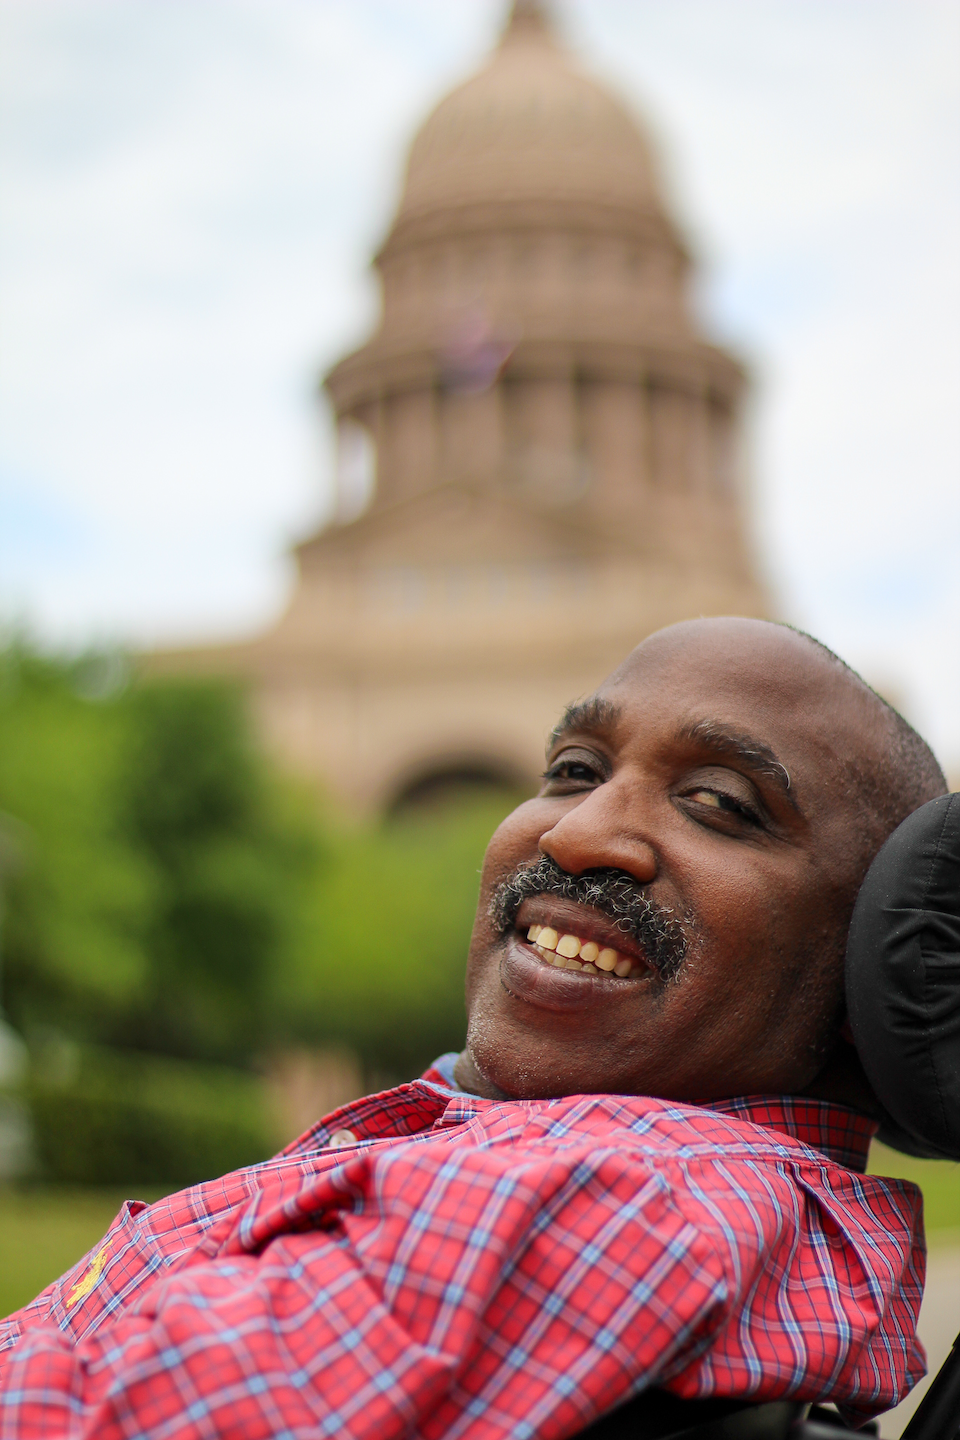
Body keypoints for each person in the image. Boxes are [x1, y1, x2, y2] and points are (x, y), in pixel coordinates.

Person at [0, 618, 948, 1440]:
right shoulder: (634, 1187)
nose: (575, 834)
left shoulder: (620, 1206)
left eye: (721, 804)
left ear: (876, 964)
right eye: (574, 770)